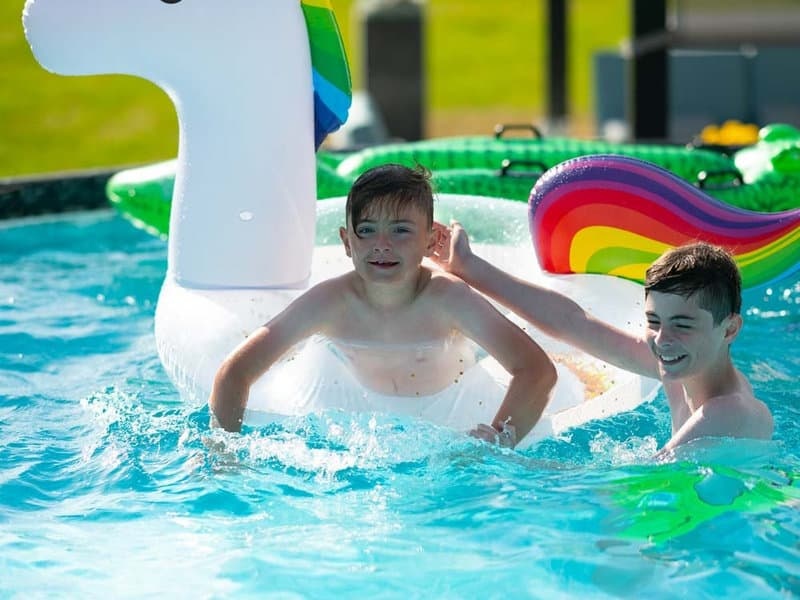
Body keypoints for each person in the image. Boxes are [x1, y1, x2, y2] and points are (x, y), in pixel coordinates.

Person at [209, 164, 557, 447]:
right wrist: (224, 453)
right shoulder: (329, 302)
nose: (382, 245)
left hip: (459, 411)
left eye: (401, 230)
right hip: (363, 424)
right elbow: (234, 373)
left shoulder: (449, 299)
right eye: (366, 230)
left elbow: (536, 371)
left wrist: (499, 438)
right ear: (347, 241)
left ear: (430, 241)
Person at [431, 224, 773, 457]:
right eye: (653, 322)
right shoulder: (682, 366)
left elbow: (646, 479)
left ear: (730, 329)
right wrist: (469, 267)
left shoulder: (728, 412)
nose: (662, 339)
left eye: (682, 325)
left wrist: (504, 460)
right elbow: (572, 322)